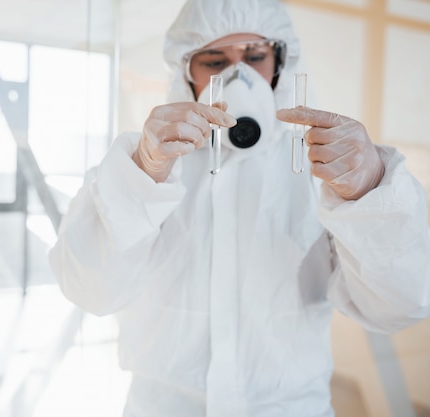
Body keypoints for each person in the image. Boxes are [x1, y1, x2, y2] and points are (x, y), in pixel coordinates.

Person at [49, 0, 430, 416]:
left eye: (255, 57)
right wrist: (141, 177)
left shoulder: (321, 169)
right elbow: (90, 289)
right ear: (185, 73)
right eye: (214, 60)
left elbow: (400, 305)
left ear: (280, 63)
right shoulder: (146, 166)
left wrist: (371, 190)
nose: (239, 77)